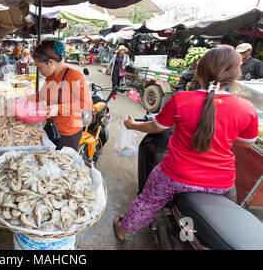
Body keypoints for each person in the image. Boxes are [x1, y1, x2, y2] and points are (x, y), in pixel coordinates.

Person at [113, 47, 258, 243]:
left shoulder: (181, 99)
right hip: (220, 182)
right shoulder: (246, 108)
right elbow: (247, 143)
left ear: (199, 71)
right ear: (235, 75)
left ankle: (122, 230)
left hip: (175, 174)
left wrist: (131, 125)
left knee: (148, 202)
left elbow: (156, 127)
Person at [27, 41, 93, 151]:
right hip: (51, 128)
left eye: (40, 67)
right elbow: (42, 95)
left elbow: (86, 104)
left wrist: (58, 108)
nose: (39, 71)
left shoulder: (74, 76)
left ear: (51, 62)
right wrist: (24, 100)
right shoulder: (50, 76)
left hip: (68, 134)